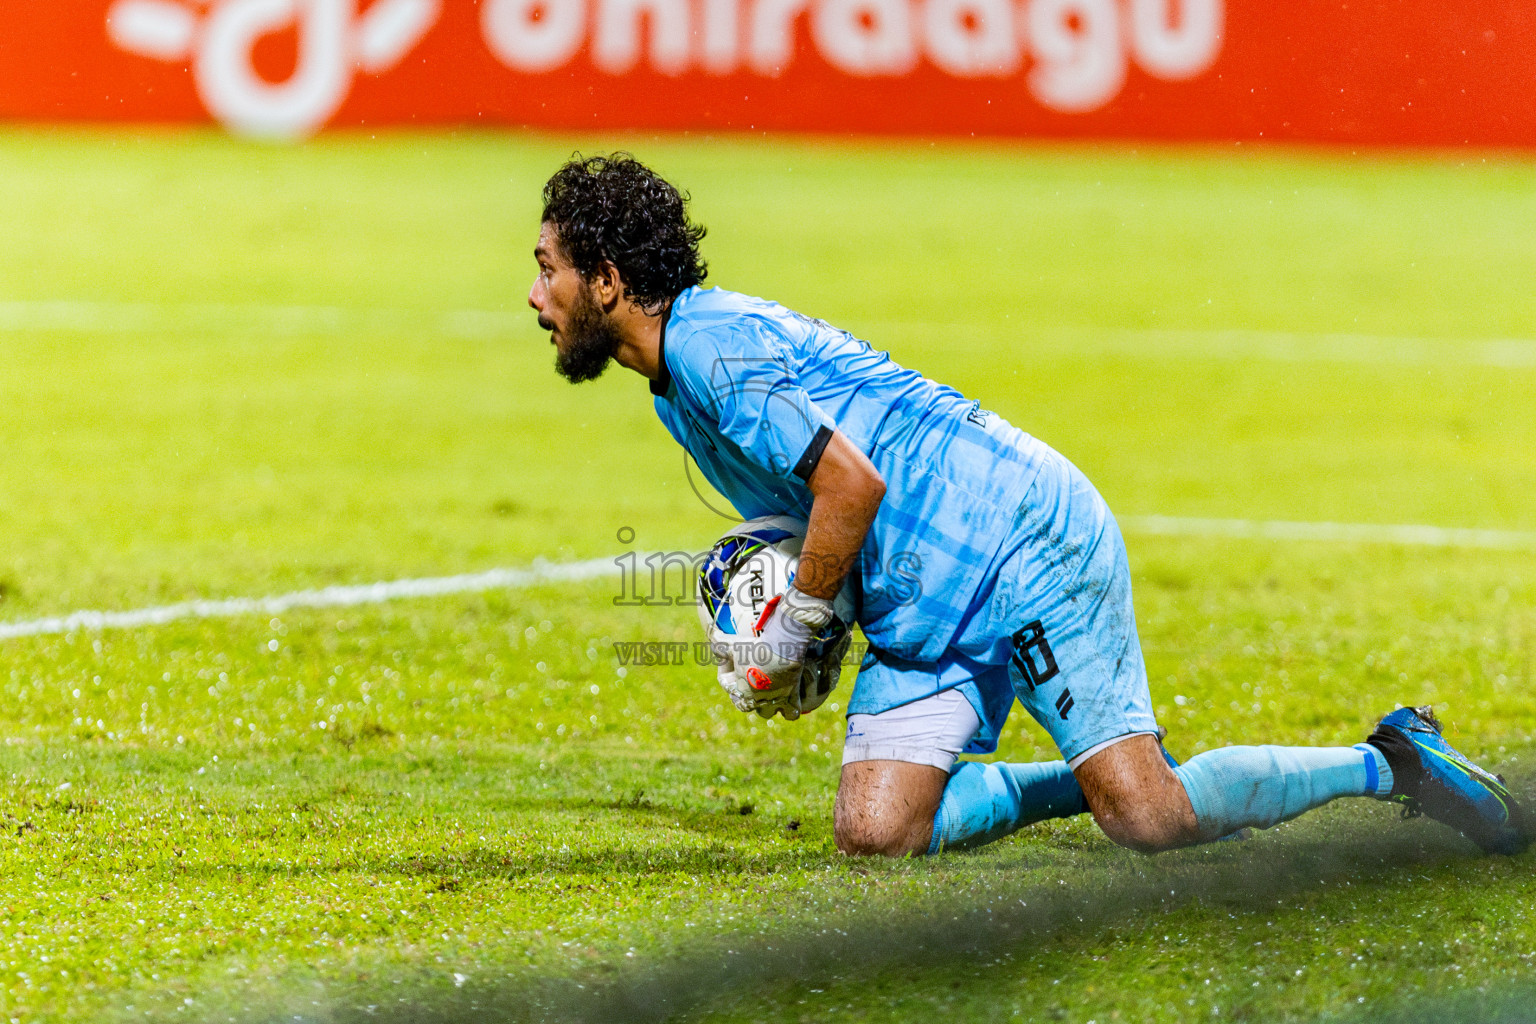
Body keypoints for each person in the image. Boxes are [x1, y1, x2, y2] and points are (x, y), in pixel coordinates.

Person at [527, 152, 1529, 858]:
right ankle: (1089, 773)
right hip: (924, 602)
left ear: (608, 281)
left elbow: (854, 482)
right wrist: (784, 609)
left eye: (549, 268)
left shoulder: (709, 347)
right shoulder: (676, 384)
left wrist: (800, 618)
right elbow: (815, 510)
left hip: (1017, 538)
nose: (537, 296)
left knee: (1151, 819)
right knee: (877, 833)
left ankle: (1391, 760)